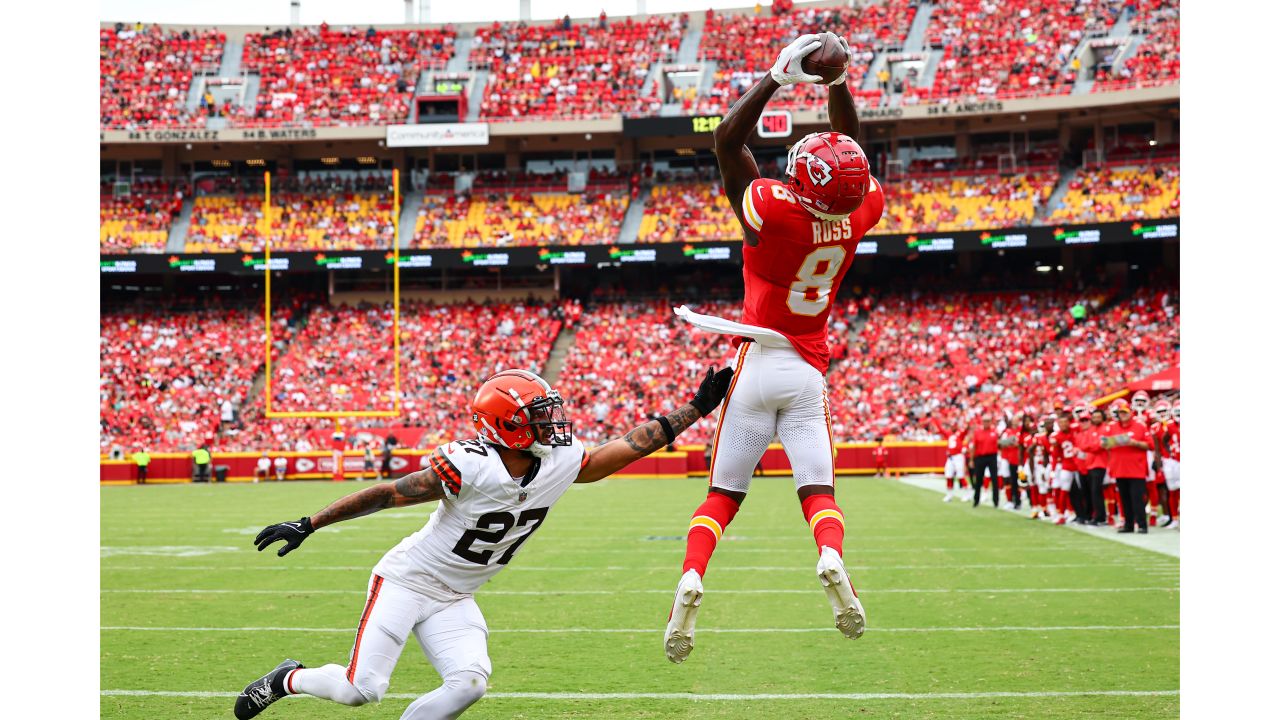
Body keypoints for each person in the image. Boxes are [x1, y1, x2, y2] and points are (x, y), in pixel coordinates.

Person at [233, 367, 733, 720]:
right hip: (408, 581)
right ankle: (286, 679)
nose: (551, 422)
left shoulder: (559, 460)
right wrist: (310, 522)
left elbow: (623, 449)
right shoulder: (470, 464)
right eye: (538, 415)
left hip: (456, 596)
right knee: (361, 690)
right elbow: (389, 494)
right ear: (506, 425)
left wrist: (696, 408)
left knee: (469, 684)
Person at [664, 33, 883, 664]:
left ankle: (692, 577)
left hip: (756, 361)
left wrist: (777, 78)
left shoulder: (773, 209)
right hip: (807, 367)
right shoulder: (862, 210)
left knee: (724, 494)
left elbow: (727, 141)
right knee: (818, 490)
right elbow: (855, 156)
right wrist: (838, 82)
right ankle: (831, 556)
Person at [1103, 398, 1154, 534]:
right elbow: (1103, 444)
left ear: (1130, 412)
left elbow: (1150, 445)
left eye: (1125, 412)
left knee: (1137, 498)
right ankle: (1129, 524)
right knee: (1124, 499)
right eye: (1121, 412)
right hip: (1119, 468)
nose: (1123, 415)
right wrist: (1112, 442)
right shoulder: (1112, 426)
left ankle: (1142, 525)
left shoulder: (1140, 425)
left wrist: (1134, 443)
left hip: (1136, 468)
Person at [968, 416, 1000, 508]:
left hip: (992, 457)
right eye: (985, 421)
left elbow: (998, 444)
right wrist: (971, 459)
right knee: (978, 479)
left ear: (990, 422)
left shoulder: (994, 432)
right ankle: (976, 500)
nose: (986, 423)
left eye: (988, 421)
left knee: (994, 479)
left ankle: (996, 501)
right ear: (982, 422)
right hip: (980, 457)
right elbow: (974, 446)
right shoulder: (978, 432)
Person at [942, 427, 966, 502]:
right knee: (948, 475)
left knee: (960, 476)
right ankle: (949, 495)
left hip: (958, 456)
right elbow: (941, 430)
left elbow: (966, 429)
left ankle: (967, 494)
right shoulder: (949, 434)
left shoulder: (960, 434)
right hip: (950, 457)